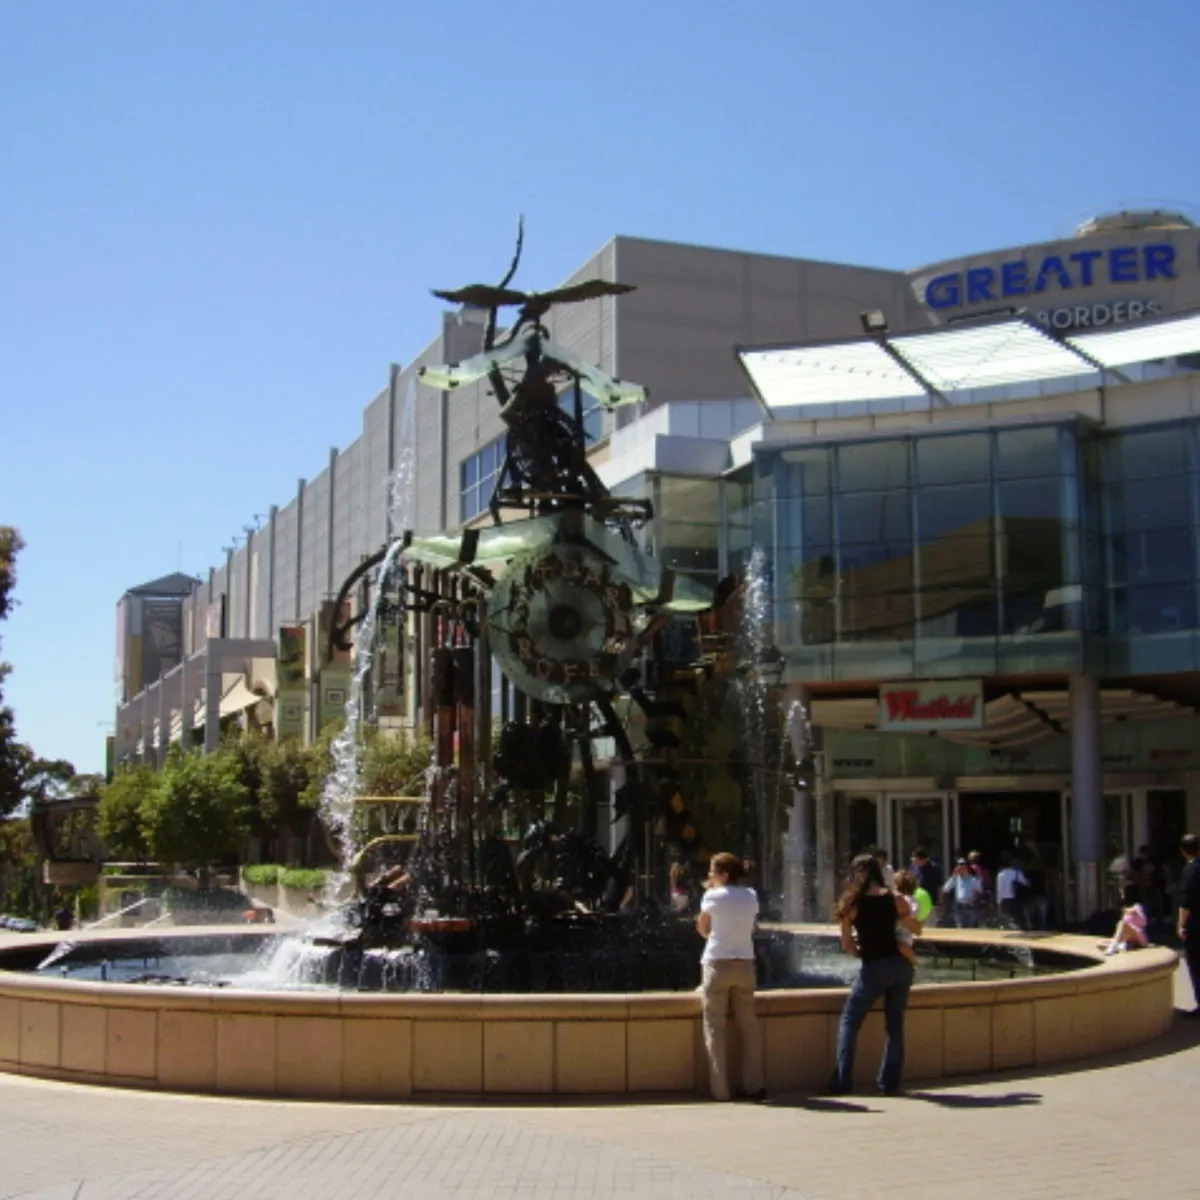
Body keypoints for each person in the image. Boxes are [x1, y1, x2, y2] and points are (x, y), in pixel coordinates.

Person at [828, 853, 921, 1096]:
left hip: (874, 966)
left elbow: (848, 946)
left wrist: (864, 953)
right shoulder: (894, 898)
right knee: (895, 1025)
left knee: (850, 1020)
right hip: (900, 965)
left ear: (855, 874)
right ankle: (888, 1084)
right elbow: (916, 928)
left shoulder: (850, 904)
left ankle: (842, 1081)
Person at [697, 852, 765, 1101]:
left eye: (712, 871)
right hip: (745, 963)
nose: (708, 876)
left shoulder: (712, 896)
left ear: (723, 874)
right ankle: (754, 1085)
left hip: (717, 964)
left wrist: (714, 937)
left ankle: (720, 1090)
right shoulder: (751, 895)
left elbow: (703, 927)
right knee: (749, 1027)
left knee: (715, 1028)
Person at [1177, 834, 1200, 1017]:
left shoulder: (1189, 870)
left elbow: (1186, 903)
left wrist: (1181, 925)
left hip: (1195, 927)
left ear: (1183, 851)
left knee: (1196, 966)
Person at [1103, 885, 1149, 954]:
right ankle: (1120, 945)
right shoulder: (1125, 908)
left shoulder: (1137, 906)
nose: (1122, 896)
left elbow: (1144, 922)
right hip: (1127, 938)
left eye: (1123, 893)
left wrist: (1135, 912)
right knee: (1100, 943)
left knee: (1122, 923)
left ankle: (1114, 946)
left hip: (1137, 935)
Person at [941, 858, 984, 928]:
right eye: (959, 866)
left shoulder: (973, 879)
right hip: (959, 907)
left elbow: (980, 890)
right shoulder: (956, 879)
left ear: (967, 868)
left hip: (970, 906)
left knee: (970, 928)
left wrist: (978, 878)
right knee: (960, 928)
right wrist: (953, 877)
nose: (960, 868)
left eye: (963, 866)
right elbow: (945, 889)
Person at [892, 870, 920, 967]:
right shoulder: (912, 900)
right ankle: (914, 962)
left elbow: (911, 915)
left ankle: (914, 962)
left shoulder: (902, 899)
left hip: (901, 932)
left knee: (901, 944)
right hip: (902, 933)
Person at [995, 855, 1029, 929]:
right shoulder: (1016, 873)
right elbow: (1026, 883)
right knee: (1017, 920)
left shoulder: (1000, 875)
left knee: (1005, 921)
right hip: (1015, 899)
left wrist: (998, 903)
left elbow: (999, 890)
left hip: (1004, 900)